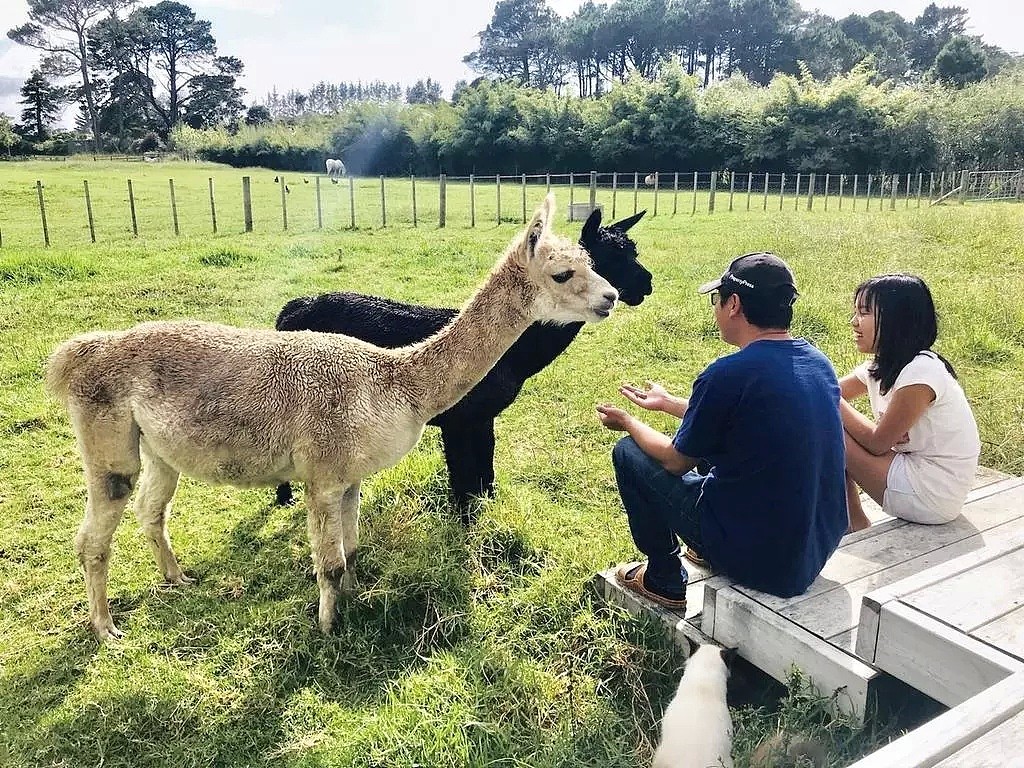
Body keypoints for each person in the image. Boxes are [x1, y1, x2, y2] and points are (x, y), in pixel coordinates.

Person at [596, 252, 847, 608]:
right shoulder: (817, 362)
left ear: (734, 304)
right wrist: (669, 403)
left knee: (628, 451)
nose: (715, 309)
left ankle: (664, 578)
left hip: (762, 561)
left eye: (717, 299)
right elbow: (739, 419)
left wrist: (628, 422)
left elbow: (675, 461)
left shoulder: (727, 373)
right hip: (810, 549)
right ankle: (706, 551)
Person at [841, 274, 980, 532]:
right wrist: (822, 392)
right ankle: (851, 520)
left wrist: (828, 397)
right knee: (825, 420)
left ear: (896, 320)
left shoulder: (921, 372)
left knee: (829, 431)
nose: (854, 322)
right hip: (917, 476)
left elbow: (877, 443)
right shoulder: (885, 365)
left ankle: (853, 522)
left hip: (934, 493)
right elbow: (832, 390)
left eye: (864, 313)